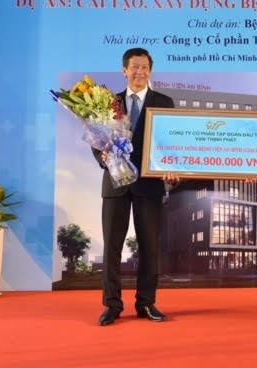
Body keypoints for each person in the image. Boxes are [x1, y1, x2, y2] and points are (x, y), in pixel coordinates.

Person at [93, 48, 176, 326]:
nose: (139, 72)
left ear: (151, 71)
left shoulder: (164, 102)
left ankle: (146, 303)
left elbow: (170, 142)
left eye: (144, 68)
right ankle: (112, 305)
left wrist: (172, 165)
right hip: (115, 185)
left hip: (149, 186)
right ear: (124, 71)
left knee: (149, 247)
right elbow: (97, 141)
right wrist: (103, 157)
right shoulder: (108, 102)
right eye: (134, 67)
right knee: (112, 248)